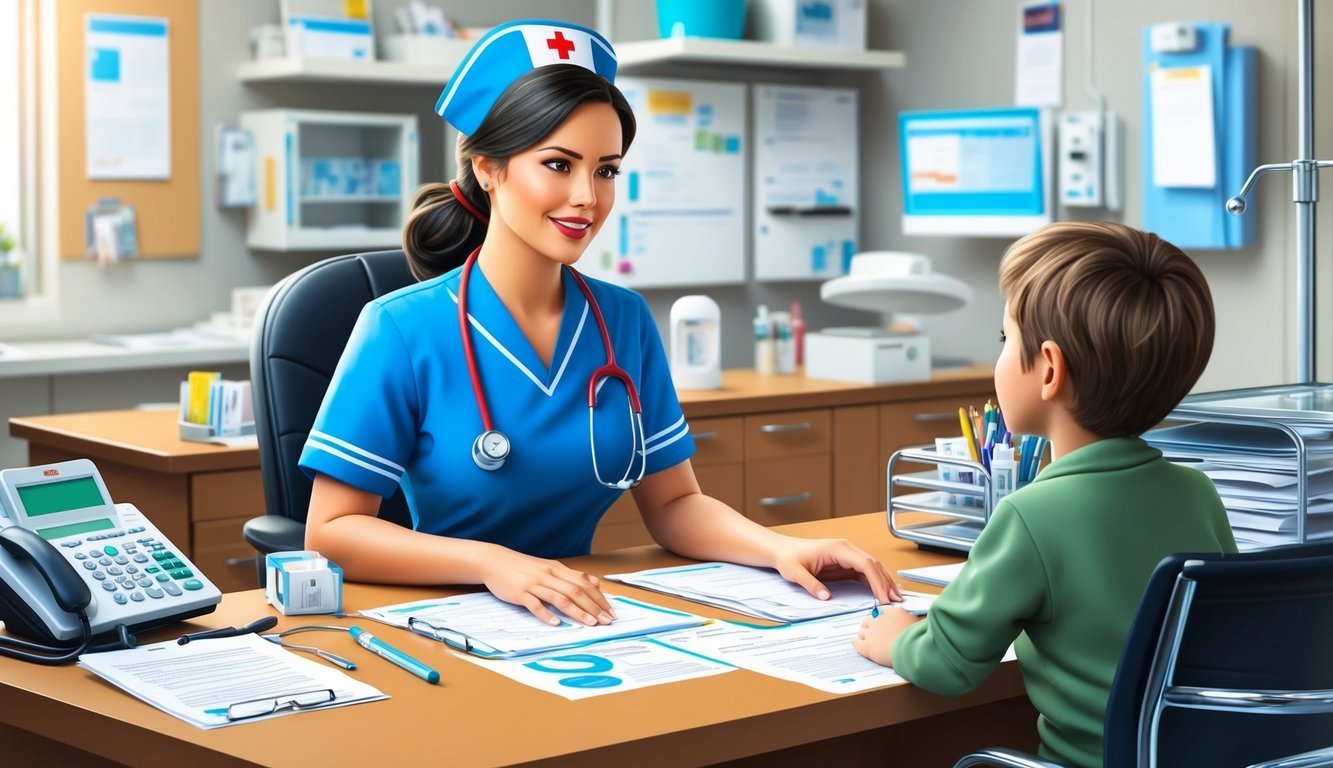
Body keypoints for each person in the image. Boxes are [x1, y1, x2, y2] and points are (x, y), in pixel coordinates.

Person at [298, 19, 897, 628]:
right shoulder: (399, 330)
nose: (588, 195)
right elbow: (332, 531)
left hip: (581, 617)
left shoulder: (623, 321)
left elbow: (675, 504)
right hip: (450, 620)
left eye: (606, 170)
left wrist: (780, 549)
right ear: (487, 168)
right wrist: (493, 564)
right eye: (558, 164)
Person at [852, 221, 1237, 768]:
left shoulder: (1031, 515)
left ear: (1049, 369)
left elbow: (948, 664)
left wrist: (893, 639)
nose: (1002, 354)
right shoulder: (1197, 493)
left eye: (1006, 339)